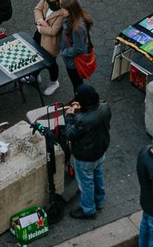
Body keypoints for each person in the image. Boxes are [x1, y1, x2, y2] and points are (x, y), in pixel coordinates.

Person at [54, 83, 113, 216]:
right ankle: (100, 201)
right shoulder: (105, 106)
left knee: (86, 183)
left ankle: (88, 210)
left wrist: (69, 115)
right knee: (98, 176)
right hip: (100, 150)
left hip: (85, 157)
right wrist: (83, 109)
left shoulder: (82, 119)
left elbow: (69, 133)